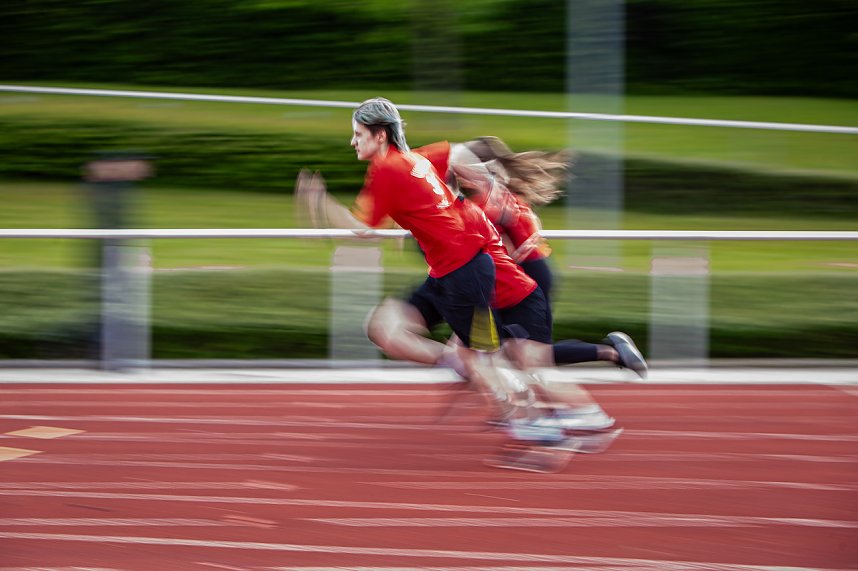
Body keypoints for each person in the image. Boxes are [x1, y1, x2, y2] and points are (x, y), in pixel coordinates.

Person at [295, 97, 566, 443]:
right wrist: (478, 182)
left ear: (380, 136)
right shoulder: (418, 158)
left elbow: (362, 230)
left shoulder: (388, 169)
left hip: (467, 270)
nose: (353, 141)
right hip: (445, 272)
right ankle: (477, 376)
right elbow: (457, 153)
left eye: (358, 134)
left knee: (479, 358)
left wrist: (320, 203)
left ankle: (540, 426)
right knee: (384, 328)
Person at [448, 136, 647, 379]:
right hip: (525, 273)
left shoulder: (492, 202)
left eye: (461, 167)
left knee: (531, 356)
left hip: (529, 275)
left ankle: (611, 353)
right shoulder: (494, 197)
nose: (457, 173)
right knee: (517, 353)